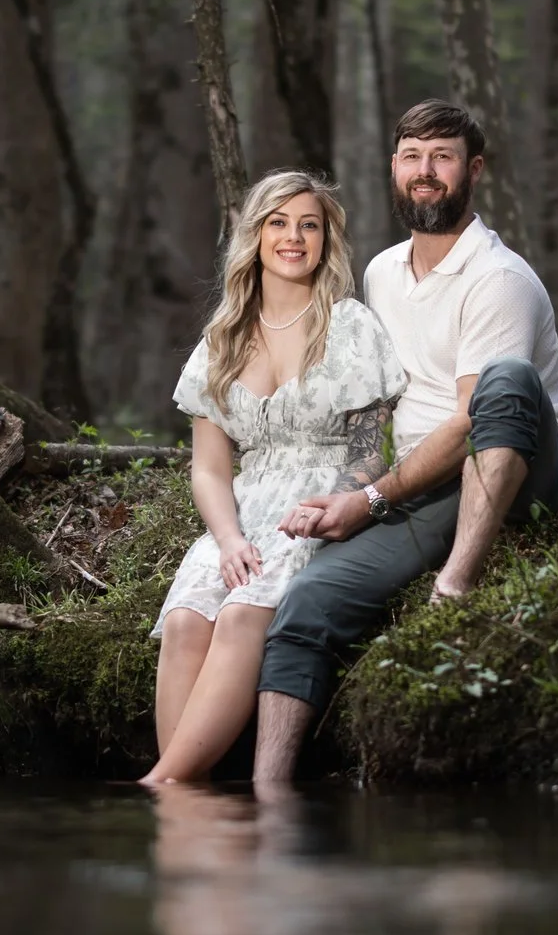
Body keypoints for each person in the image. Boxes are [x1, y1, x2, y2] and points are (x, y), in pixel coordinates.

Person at [256, 99, 558, 787]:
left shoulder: (498, 278)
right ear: (394, 167)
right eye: (412, 156)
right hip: (427, 482)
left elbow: (468, 422)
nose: (425, 171)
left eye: (443, 157)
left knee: (505, 380)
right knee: (305, 605)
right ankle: (267, 798)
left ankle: (455, 585)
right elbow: (377, 399)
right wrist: (351, 489)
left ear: (474, 170)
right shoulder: (382, 273)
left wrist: (372, 500)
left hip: (526, 468)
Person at [140, 170, 404, 786]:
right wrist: (228, 539)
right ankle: (185, 797)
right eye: (279, 223)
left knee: (241, 614)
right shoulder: (223, 338)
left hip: (315, 504)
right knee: (185, 619)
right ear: (254, 236)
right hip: (242, 512)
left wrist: (335, 504)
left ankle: (162, 786)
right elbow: (209, 469)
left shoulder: (350, 325)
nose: (294, 237)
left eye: (309, 225)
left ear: (326, 240)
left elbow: (372, 452)